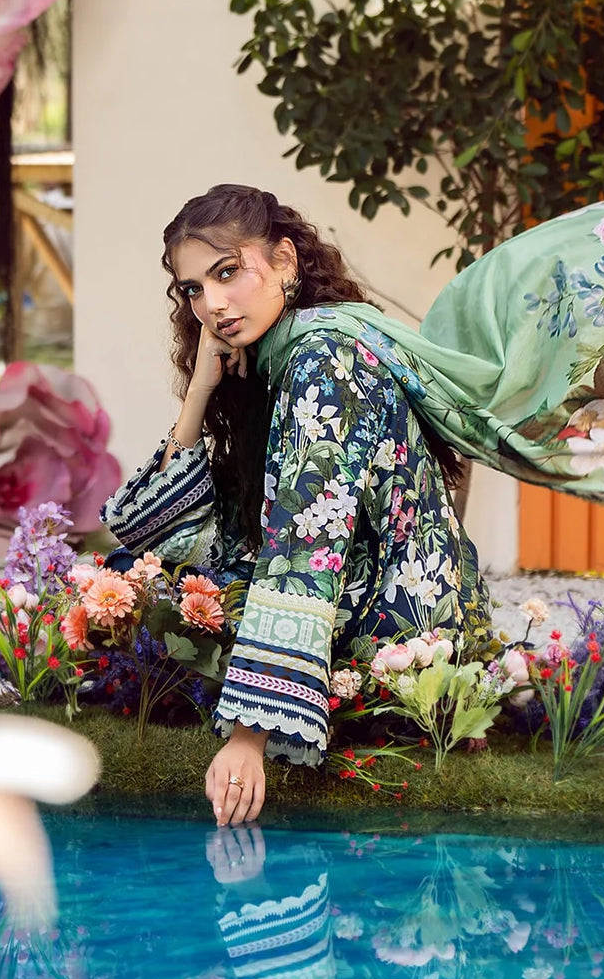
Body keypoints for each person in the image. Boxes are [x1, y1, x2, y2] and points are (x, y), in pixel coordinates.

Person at [101, 185, 490, 829]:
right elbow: (158, 527)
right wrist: (200, 387)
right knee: (141, 578)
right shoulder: (276, 358)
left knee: (161, 602)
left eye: (228, 272)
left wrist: (248, 737)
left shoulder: (323, 359)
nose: (213, 304)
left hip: (397, 634)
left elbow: (306, 545)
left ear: (285, 260)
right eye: (194, 288)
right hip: (359, 601)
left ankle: (297, 702)